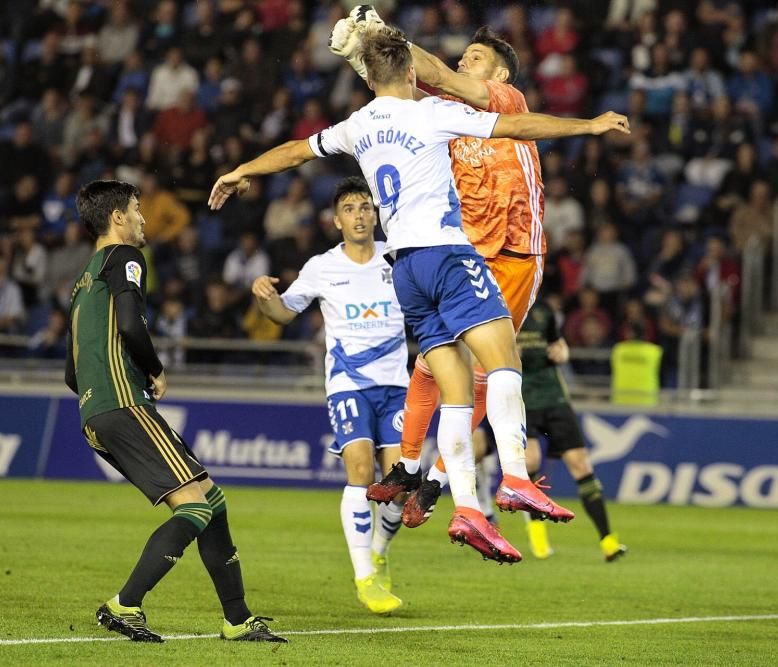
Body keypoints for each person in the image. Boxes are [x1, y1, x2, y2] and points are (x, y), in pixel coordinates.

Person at [208, 27, 629, 562]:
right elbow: (516, 124)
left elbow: (297, 150)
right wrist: (589, 125)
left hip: (405, 266)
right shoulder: (433, 115)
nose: (448, 68)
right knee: (502, 364)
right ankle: (515, 476)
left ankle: (454, 500)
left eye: (471, 58)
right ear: (411, 75)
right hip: (452, 254)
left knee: (450, 383)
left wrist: (242, 168)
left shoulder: (360, 123)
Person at [339, 8, 566, 529]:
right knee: (431, 365)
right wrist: (364, 55)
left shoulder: (505, 100)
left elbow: (430, 72)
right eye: (464, 56)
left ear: (501, 75)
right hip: (465, 249)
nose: (465, 61)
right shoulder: (438, 111)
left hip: (514, 252)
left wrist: (377, 32)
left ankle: (438, 482)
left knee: (482, 374)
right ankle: (407, 468)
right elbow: (397, 87)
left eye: (477, 58)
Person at [66, 180, 285, 643]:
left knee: (212, 500)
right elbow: (129, 324)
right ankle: (124, 604)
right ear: (118, 217)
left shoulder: (82, 279)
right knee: (194, 509)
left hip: (96, 411)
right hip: (125, 401)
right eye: (138, 210)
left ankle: (238, 619)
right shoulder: (125, 259)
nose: (145, 219)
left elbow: (71, 371)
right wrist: (154, 370)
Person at [251, 177, 407, 614]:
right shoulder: (322, 267)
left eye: (366, 207)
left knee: (397, 487)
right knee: (360, 469)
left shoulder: (398, 258)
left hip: (396, 385)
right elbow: (283, 313)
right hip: (348, 384)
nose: (360, 215)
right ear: (336, 220)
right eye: (351, 209)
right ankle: (365, 579)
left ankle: (379, 552)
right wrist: (264, 298)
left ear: (375, 215)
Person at [518, 297, 627, 562]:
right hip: (521, 398)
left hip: (554, 397)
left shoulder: (544, 309)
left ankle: (608, 541)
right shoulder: (501, 307)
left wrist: (562, 353)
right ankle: (537, 533)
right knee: (530, 460)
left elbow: (559, 345)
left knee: (580, 464)